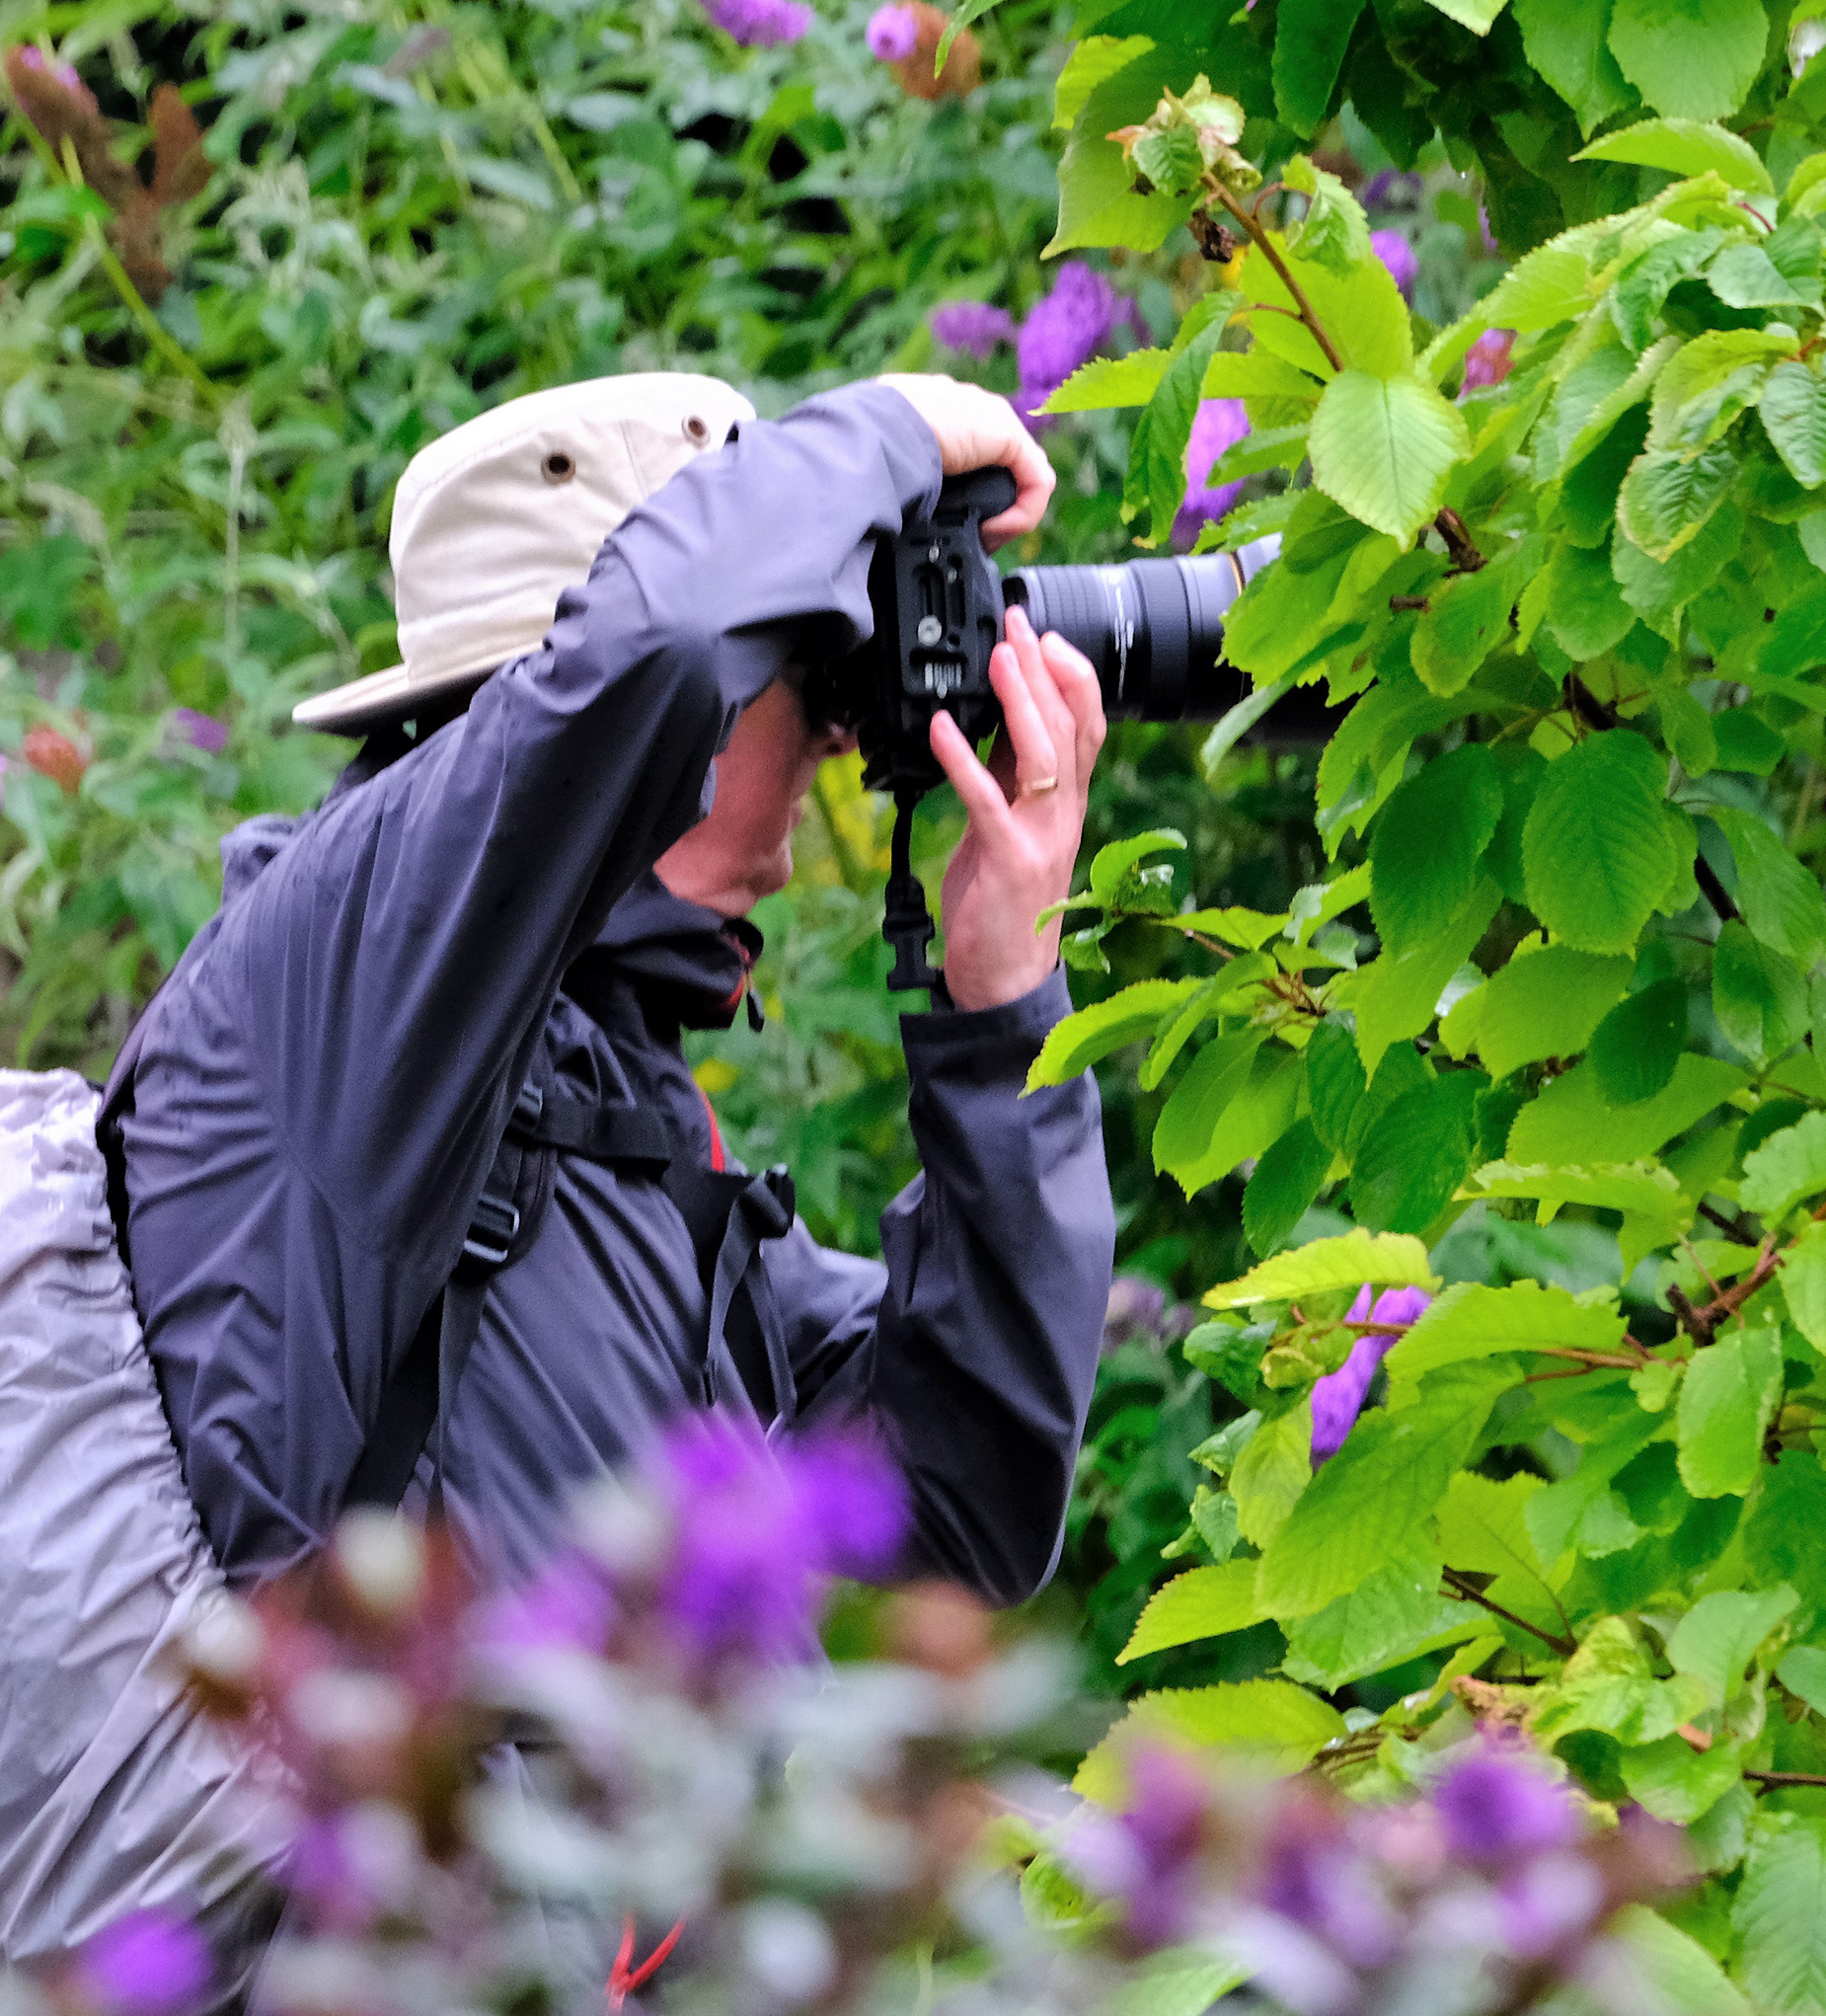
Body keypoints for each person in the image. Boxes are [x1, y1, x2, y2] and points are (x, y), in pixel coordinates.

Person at [96, 369, 1118, 1604]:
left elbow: (957, 1509)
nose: (842, 729)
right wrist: (895, 426)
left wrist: (1002, 1011)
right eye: (804, 665)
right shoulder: (337, 995)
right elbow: (664, 643)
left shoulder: (605, 1110)